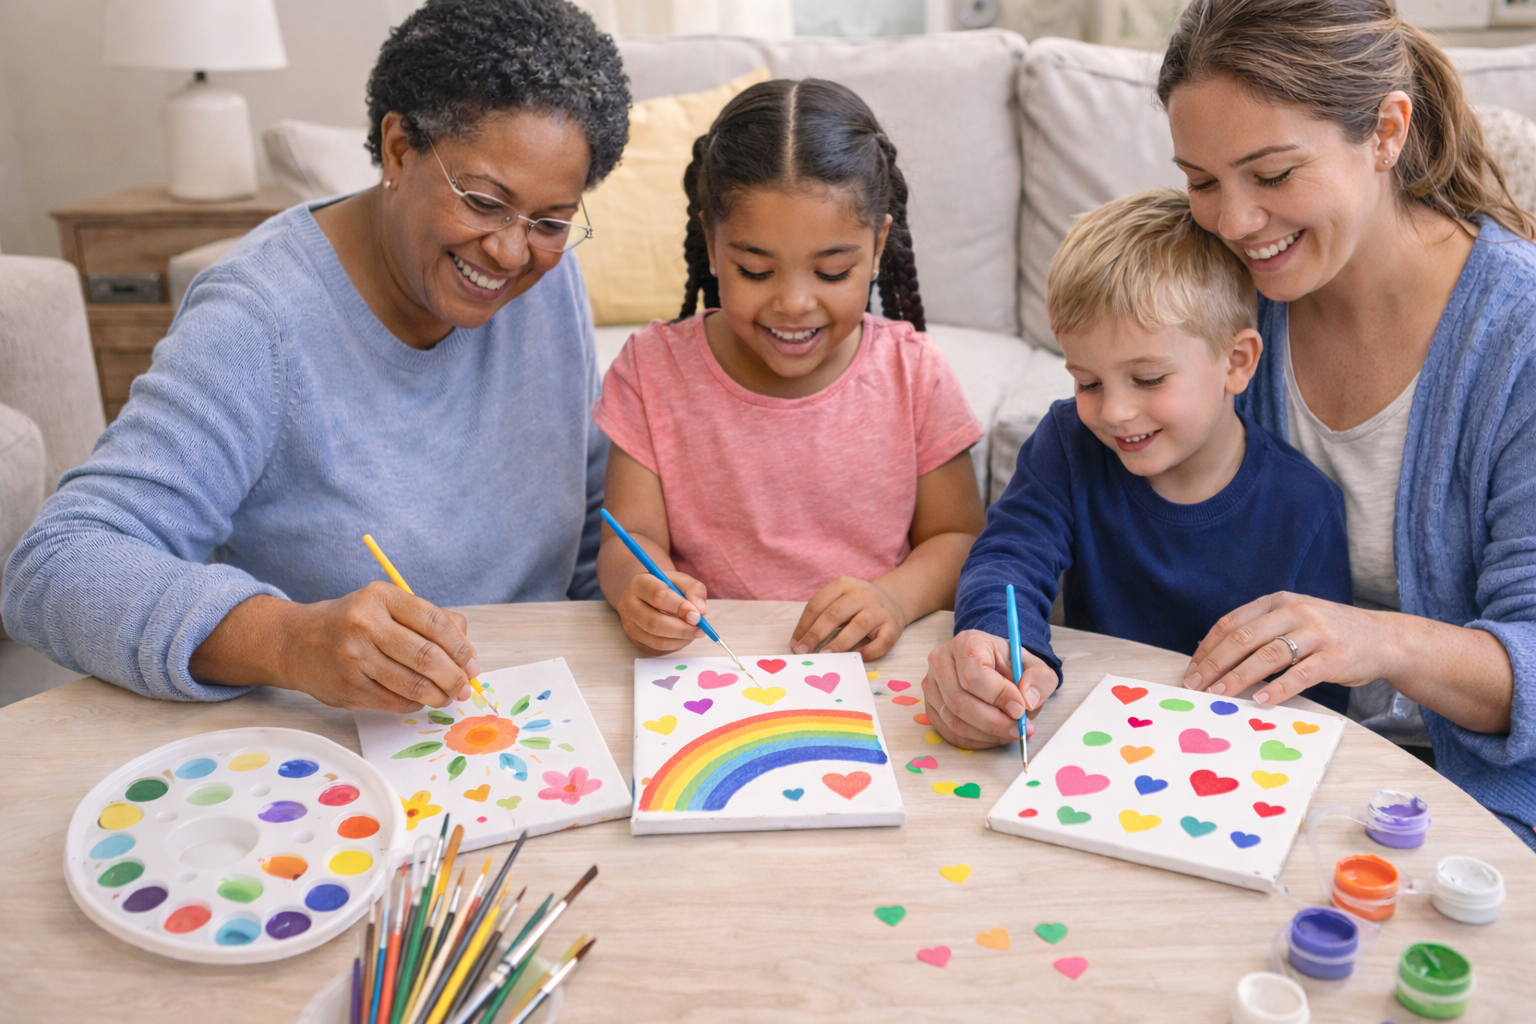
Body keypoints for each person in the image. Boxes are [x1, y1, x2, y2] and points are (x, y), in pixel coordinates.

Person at [935, 0, 1536, 850]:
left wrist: (1372, 638)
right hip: (1220, 759)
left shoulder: (1518, 338)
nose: (1234, 224)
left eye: (1274, 174)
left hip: (1455, 791)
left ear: (1387, 130)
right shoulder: (1225, 292)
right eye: (1203, 180)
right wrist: (985, 639)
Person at [1, 0, 630, 712]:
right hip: (336, 746)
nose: (513, 251)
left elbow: (590, 520)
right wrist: (289, 640)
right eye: (484, 203)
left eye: (548, 222)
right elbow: (54, 567)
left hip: (531, 715)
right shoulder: (259, 320)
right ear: (398, 149)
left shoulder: (543, 276)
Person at [591, 79, 986, 661]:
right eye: (754, 270)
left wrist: (894, 599)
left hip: (870, 668)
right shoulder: (651, 372)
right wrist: (639, 586)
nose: (794, 304)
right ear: (711, 239)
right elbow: (629, 540)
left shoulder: (913, 373)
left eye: (831, 273)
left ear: (877, 246)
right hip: (707, 665)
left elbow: (959, 538)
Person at [948, 188, 1352, 748]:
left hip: (1235, 757)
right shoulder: (1069, 443)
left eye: (1148, 379)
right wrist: (991, 637)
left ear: (1237, 362)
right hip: (1087, 736)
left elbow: (1319, 698)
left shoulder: (1305, 506)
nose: (1112, 411)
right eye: (1088, 382)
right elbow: (1009, 555)